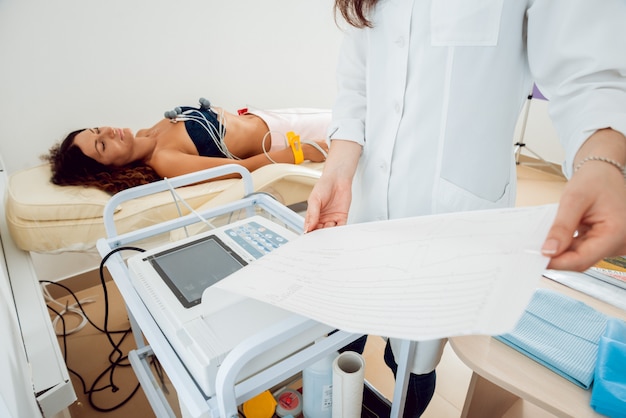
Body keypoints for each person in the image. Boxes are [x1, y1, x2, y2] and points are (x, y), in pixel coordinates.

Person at [305, 1, 626, 416]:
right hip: (361, 199)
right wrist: (338, 169)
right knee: (340, 330)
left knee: (413, 358)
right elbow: (356, 83)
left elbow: (587, 71)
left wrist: (603, 159)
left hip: (452, 215)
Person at [45, 99, 331, 194]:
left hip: (272, 118)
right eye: (102, 145)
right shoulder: (165, 160)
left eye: (98, 130)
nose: (108, 131)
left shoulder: (149, 132)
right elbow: (238, 170)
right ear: (112, 168)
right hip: (287, 135)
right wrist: (301, 151)